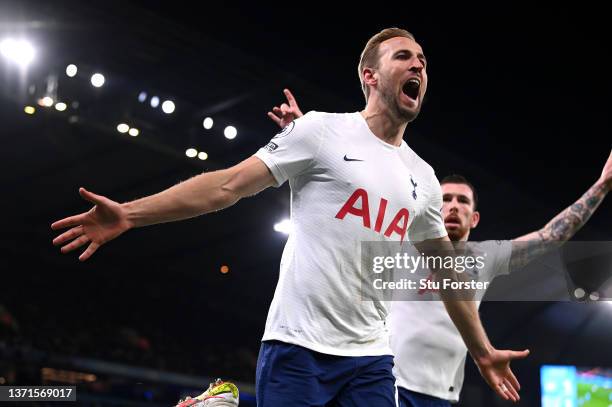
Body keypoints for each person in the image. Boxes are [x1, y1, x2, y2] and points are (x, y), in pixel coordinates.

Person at [52, 28, 527, 406]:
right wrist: (131, 214)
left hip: (372, 359)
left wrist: (482, 351)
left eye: (423, 60)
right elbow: (226, 186)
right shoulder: (320, 131)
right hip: (298, 347)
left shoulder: (423, 177)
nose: (418, 64)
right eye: (404, 56)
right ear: (370, 75)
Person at [268, 88, 612, 406]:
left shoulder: (486, 257)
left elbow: (550, 236)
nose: (452, 206)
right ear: (429, 206)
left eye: (462, 201)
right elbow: (340, 204)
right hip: (387, 383)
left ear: (474, 218)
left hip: (442, 394)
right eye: (445, 198)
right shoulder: (400, 239)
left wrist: (603, 184)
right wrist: (308, 138)